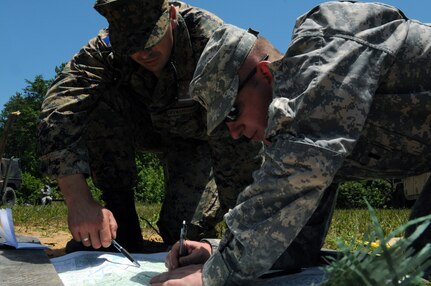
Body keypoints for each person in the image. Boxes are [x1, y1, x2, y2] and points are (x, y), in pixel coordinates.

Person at [149, 1, 431, 285]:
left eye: (232, 111)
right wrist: (215, 250)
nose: (233, 132)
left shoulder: (325, 45)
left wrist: (214, 275)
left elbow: (298, 169)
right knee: (419, 260)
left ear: (264, 73)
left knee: (421, 261)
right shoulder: (310, 131)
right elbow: (291, 240)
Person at [38, 0, 262, 253]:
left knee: (180, 232)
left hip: (201, 139)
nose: (144, 52)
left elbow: (241, 130)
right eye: (131, 45)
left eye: (151, 37)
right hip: (145, 128)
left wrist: (246, 230)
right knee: (95, 102)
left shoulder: (210, 37)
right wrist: (78, 200)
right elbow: (58, 111)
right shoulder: (104, 49)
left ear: (173, 15)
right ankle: (121, 225)